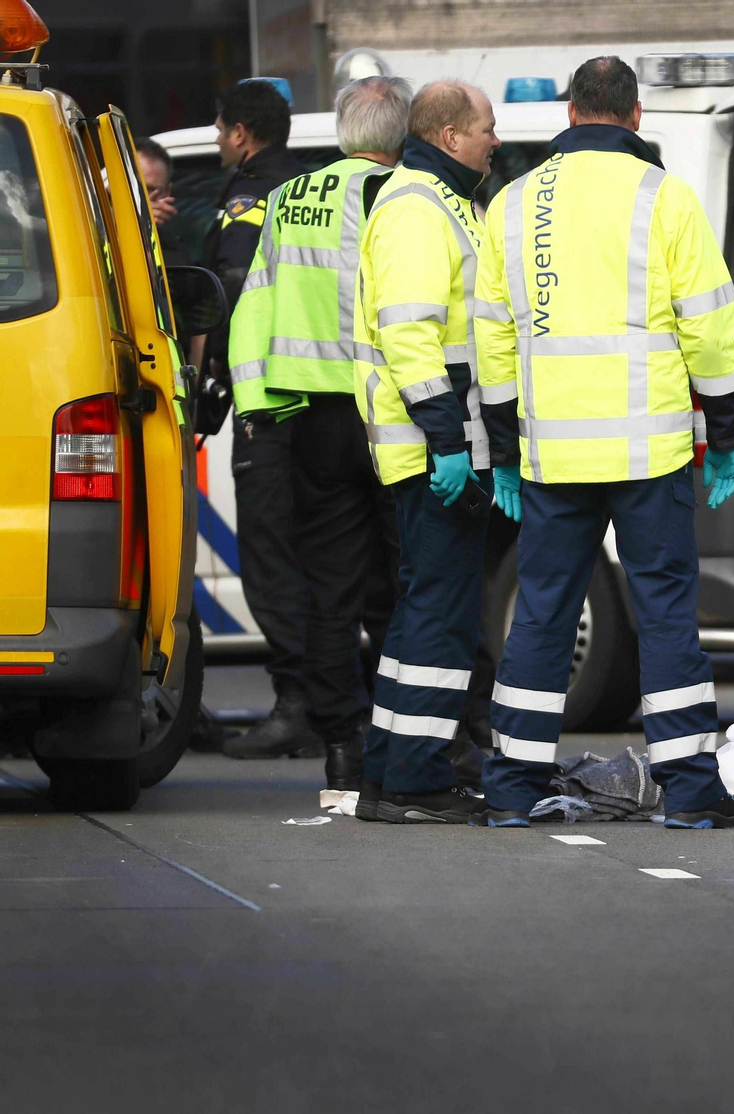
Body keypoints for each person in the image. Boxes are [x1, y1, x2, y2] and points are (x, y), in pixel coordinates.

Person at [473, 56, 734, 830]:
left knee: (541, 615)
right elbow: (709, 324)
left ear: (570, 114)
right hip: (649, 451)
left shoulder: (511, 203)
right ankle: (691, 790)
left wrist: (502, 447)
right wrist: (726, 433)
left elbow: (493, 341)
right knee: (665, 613)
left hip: (552, 455)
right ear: (635, 117)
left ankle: (512, 784)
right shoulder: (664, 198)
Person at [224, 76, 413, 792]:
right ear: (400, 136)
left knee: (329, 591)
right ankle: (408, 736)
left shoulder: (287, 199)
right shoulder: (405, 196)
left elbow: (254, 306)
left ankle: (343, 742)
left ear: (340, 131)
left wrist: (258, 404)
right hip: (391, 412)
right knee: (405, 585)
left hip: (312, 419)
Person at [353, 79, 505, 824]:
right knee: (439, 620)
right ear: (450, 136)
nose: (494, 139)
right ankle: (413, 780)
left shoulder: (441, 202)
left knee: (424, 618)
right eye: (486, 127)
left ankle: (389, 773)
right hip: (433, 448)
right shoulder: (418, 207)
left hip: (439, 445)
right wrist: (448, 439)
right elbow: (410, 334)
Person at [199, 80, 314, 758]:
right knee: (325, 557)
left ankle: (296, 704)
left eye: (220, 129)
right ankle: (331, 704)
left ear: (241, 132)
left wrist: (210, 370)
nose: (218, 140)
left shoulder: (247, 199)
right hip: (323, 400)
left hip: (267, 406)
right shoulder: (307, 189)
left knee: (272, 559)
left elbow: (233, 292)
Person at [134, 137, 186, 264]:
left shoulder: (174, 251)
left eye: (152, 191)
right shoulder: (92, 233)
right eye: (137, 188)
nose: (146, 199)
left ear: (167, 193)